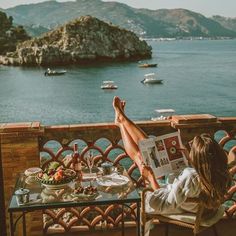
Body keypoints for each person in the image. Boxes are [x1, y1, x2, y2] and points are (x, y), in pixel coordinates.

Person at [112, 96, 231, 217]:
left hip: (172, 205)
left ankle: (121, 123)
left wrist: (151, 177)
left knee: (140, 157)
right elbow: (197, 180)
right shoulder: (218, 172)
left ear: (200, 160)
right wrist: (189, 160)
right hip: (186, 200)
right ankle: (121, 119)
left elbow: (165, 203)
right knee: (150, 147)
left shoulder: (191, 177)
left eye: (192, 151)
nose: (190, 151)